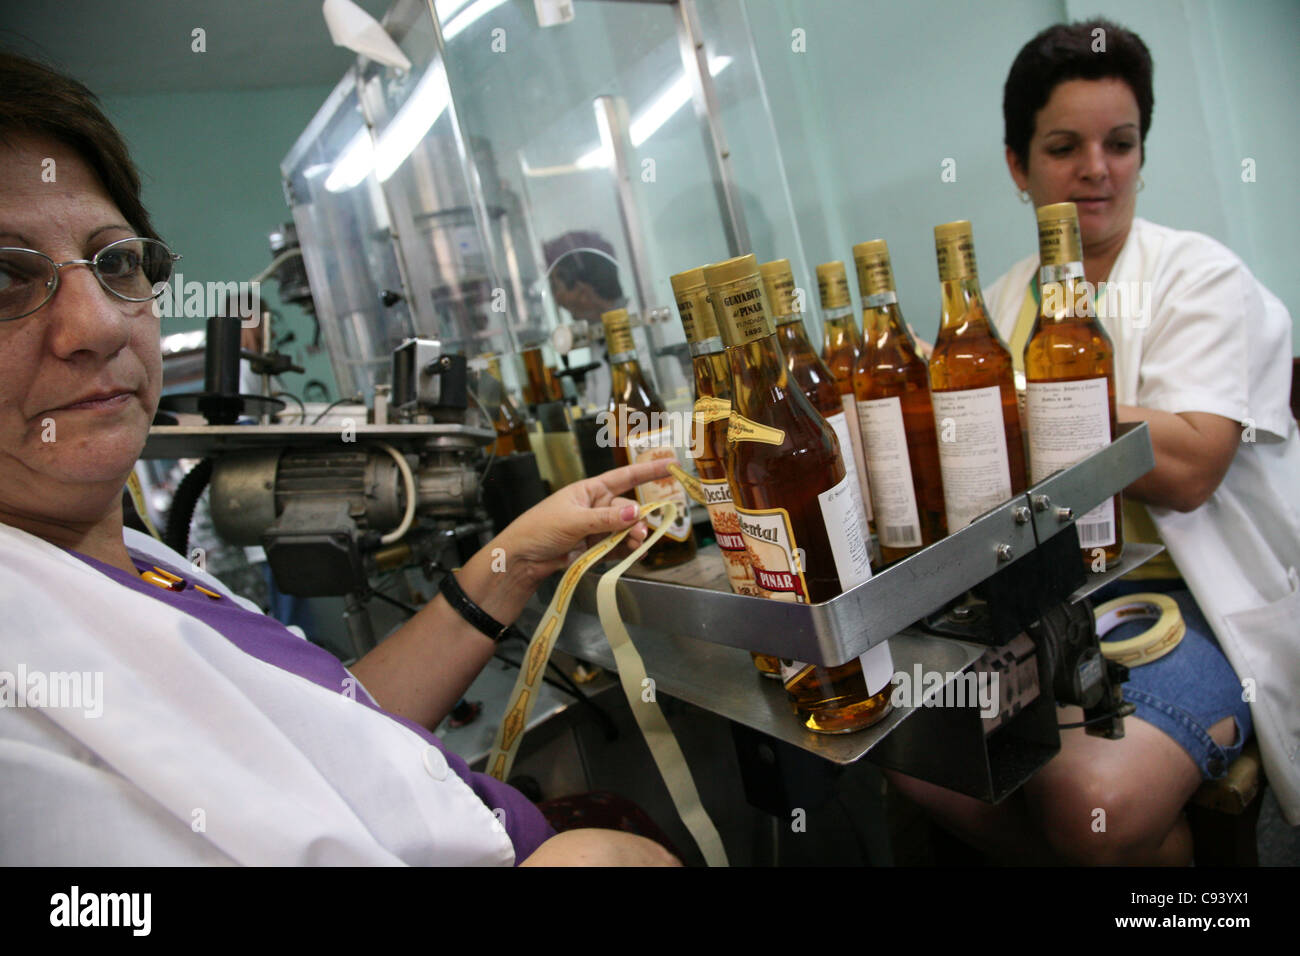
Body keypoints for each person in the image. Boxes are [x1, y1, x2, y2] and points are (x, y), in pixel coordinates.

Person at [0, 51, 680, 866]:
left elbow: (337, 730)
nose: (101, 325)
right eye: (6, 277)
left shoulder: (116, 555)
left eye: (114, 261)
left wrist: (513, 557)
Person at [890, 19, 1300, 864]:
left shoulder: (1199, 277)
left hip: (1187, 605)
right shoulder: (995, 311)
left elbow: (1189, 469)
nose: (1096, 169)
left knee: (1089, 805)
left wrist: (1036, 410)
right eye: (1063, 146)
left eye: (1121, 143)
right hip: (1042, 603)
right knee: (916, 759)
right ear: (1017, 166)